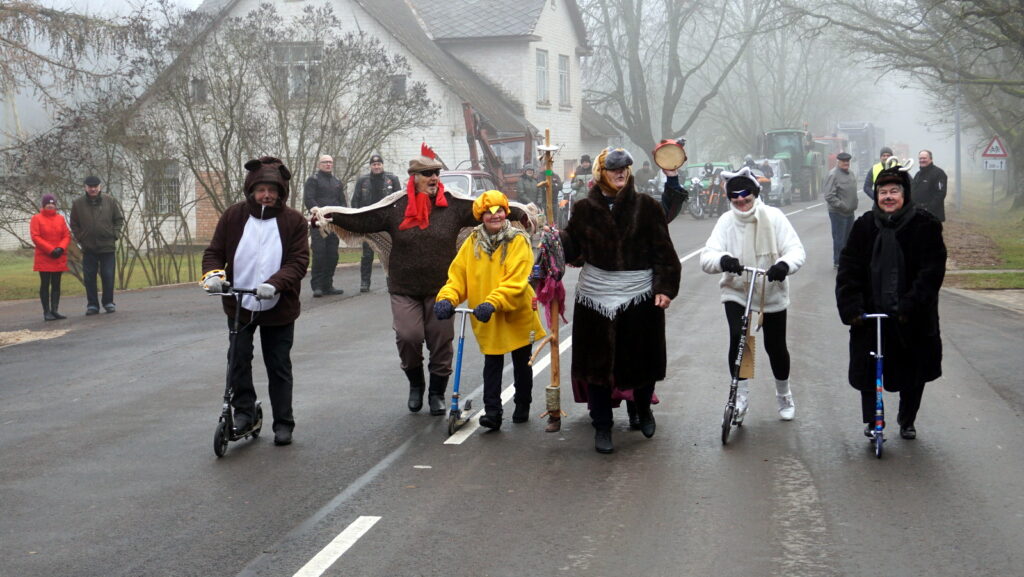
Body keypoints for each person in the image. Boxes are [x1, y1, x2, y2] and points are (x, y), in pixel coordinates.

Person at [312, 144, 527, 416]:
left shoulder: (452, 206)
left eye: (436, 173)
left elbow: (485, 207)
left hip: (442, 289)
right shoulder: (396, 207)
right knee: (408, 337)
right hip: (404, 287)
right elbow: (362, 219)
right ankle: (416, 385)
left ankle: (437, 393)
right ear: (414, 177)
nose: (434, 178)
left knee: (441, 340)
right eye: (427, 174)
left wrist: (522, 213)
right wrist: (327, 216)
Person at [558, 147, 681, 454]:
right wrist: (557, 239)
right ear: (602, 173)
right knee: (597, 367)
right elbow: (575, 253)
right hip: (595, 299)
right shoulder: (584, 209)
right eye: (614, 169)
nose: (621, 173)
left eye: (625, 168)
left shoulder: (647, 207)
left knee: (642, 362)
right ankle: (602, 426)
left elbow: (664, 253)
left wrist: (664, 287)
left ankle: (643, 409)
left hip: (639, 297)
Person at [201, 156, 309, 446]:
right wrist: (212, 276)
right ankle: (244, 413)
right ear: (251, 190)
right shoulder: (233, 216)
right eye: (261, 189)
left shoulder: (294, 221)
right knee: (237, 359)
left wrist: (274, 284)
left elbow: (298, 262)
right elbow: (214, 252)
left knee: (278, 364)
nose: (266, 195)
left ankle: (283, 422)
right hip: (239, 302)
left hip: (278, 305)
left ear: (281, 192)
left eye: (272, 190)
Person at [836, 164, 946, 440]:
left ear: (904, 194)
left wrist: (911, 304)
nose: (888, 197)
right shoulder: (863, 226)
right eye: (882, 192)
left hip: (911, 314)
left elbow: (932, 271)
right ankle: (873, 419)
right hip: (870, 314)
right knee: (868, 368)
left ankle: (907, 418)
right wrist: (851, 306)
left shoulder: (925, 224)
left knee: (914, 369)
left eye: (894, 191)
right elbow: (849, 268)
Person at [700, 166, 806, 424]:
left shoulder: (774, 216)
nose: (740, 200)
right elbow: (707, 256)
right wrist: (723, 260)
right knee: (739, 339)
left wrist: (784, 265)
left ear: (755, 193)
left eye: (745, 195)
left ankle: (784, 395)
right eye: (734, 196)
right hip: (737, 289)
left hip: (770, 288)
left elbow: (796, 250)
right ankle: (740, 398)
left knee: (775, 345)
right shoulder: (726, 221)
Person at [434, 190, 546, 429]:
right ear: (481, 215)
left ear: (506, 212)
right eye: (489, 212)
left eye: (500, 211)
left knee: (521, 363)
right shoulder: (472, 242)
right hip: (487, 314)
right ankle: (493, 413)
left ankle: (523, 402)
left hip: (515, 311)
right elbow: (458, 277)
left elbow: (517, 281)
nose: (495, 216)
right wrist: (447, 299)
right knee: (492, 363)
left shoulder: (518, 240)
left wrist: (493, 302)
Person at [70, 175, 124, 315]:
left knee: (108, 275)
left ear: (100, 187)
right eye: (90, 187)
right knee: (89, 277)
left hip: (107, 245)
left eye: (95, 186)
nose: (93, 189)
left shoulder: (110, 201)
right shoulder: (78, 204)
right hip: (88, 248)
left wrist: (114, 234)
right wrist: (80, 238)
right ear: (85, 187)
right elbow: (74, 225)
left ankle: (108, 302)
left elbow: (118, 220)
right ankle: (92, 305)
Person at [352, 154, 402, 292]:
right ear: (370, 166)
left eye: (379, 164)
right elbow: (355, 201)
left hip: (387, 223)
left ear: (382, 165)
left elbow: (399, 200)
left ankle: (392, 282)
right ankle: (364, 283)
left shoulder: (392, 179)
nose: (376, 166)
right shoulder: (363, 181)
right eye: (374, 164)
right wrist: (357, 219)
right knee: (367, 254)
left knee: (389, 254)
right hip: (368, 222)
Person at [303, 154, 346, 297]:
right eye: (325, 162)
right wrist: (320, 213)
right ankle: (317, 287)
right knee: (320, 254)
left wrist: (341, 215)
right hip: (318, 222)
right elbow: (309, 199)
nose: (328, 164)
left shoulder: (337, 182)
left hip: (333, 224)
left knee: (332, 255)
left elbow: (342, 202)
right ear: (319, 164)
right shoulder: (313, 180)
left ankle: (328, 285)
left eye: (330, 162)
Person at [31, 194, 71, 321]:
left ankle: (55, 310)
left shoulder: (60, 218)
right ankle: (46, 311)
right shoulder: (36, 218)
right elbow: (35, 237)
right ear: (43, 205)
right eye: (48, 203)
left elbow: (66, 235)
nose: (50, 205)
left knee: (56, 284)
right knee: (45, 284)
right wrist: (50, 250)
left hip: (58, 256)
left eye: (53, 203)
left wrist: (60, 248)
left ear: (55, 205)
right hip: (44, 257)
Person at [823, 152, 859, 269]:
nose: (846, 163)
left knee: (849, 238)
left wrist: (854, 203)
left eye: (848, 161)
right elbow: (829, 196)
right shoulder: (833, 175)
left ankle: (846, 260)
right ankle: (838, 262)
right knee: (840, 238)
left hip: (850, 212)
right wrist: (842, 205)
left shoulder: (851, 173)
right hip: (838, 212)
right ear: (838, 162)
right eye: (843, 161)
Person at [913, 149, 947, 222]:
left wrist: (928, 210)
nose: (922, 160)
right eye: (920, 158)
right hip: (918, 214)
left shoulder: (939, 173)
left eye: (924, 158)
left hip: (932, 216)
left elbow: (940, 194)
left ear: (931, 159)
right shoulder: (918, 174)